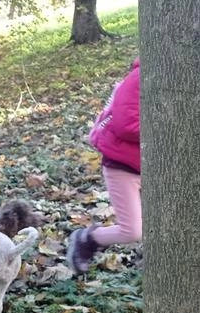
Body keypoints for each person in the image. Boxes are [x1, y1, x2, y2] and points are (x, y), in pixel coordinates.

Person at [67, 59, 141, 274]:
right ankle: (86, 238)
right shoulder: (139, 77)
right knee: (132, 231)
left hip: (150, 165)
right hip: (122, 165)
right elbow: (125, 124)